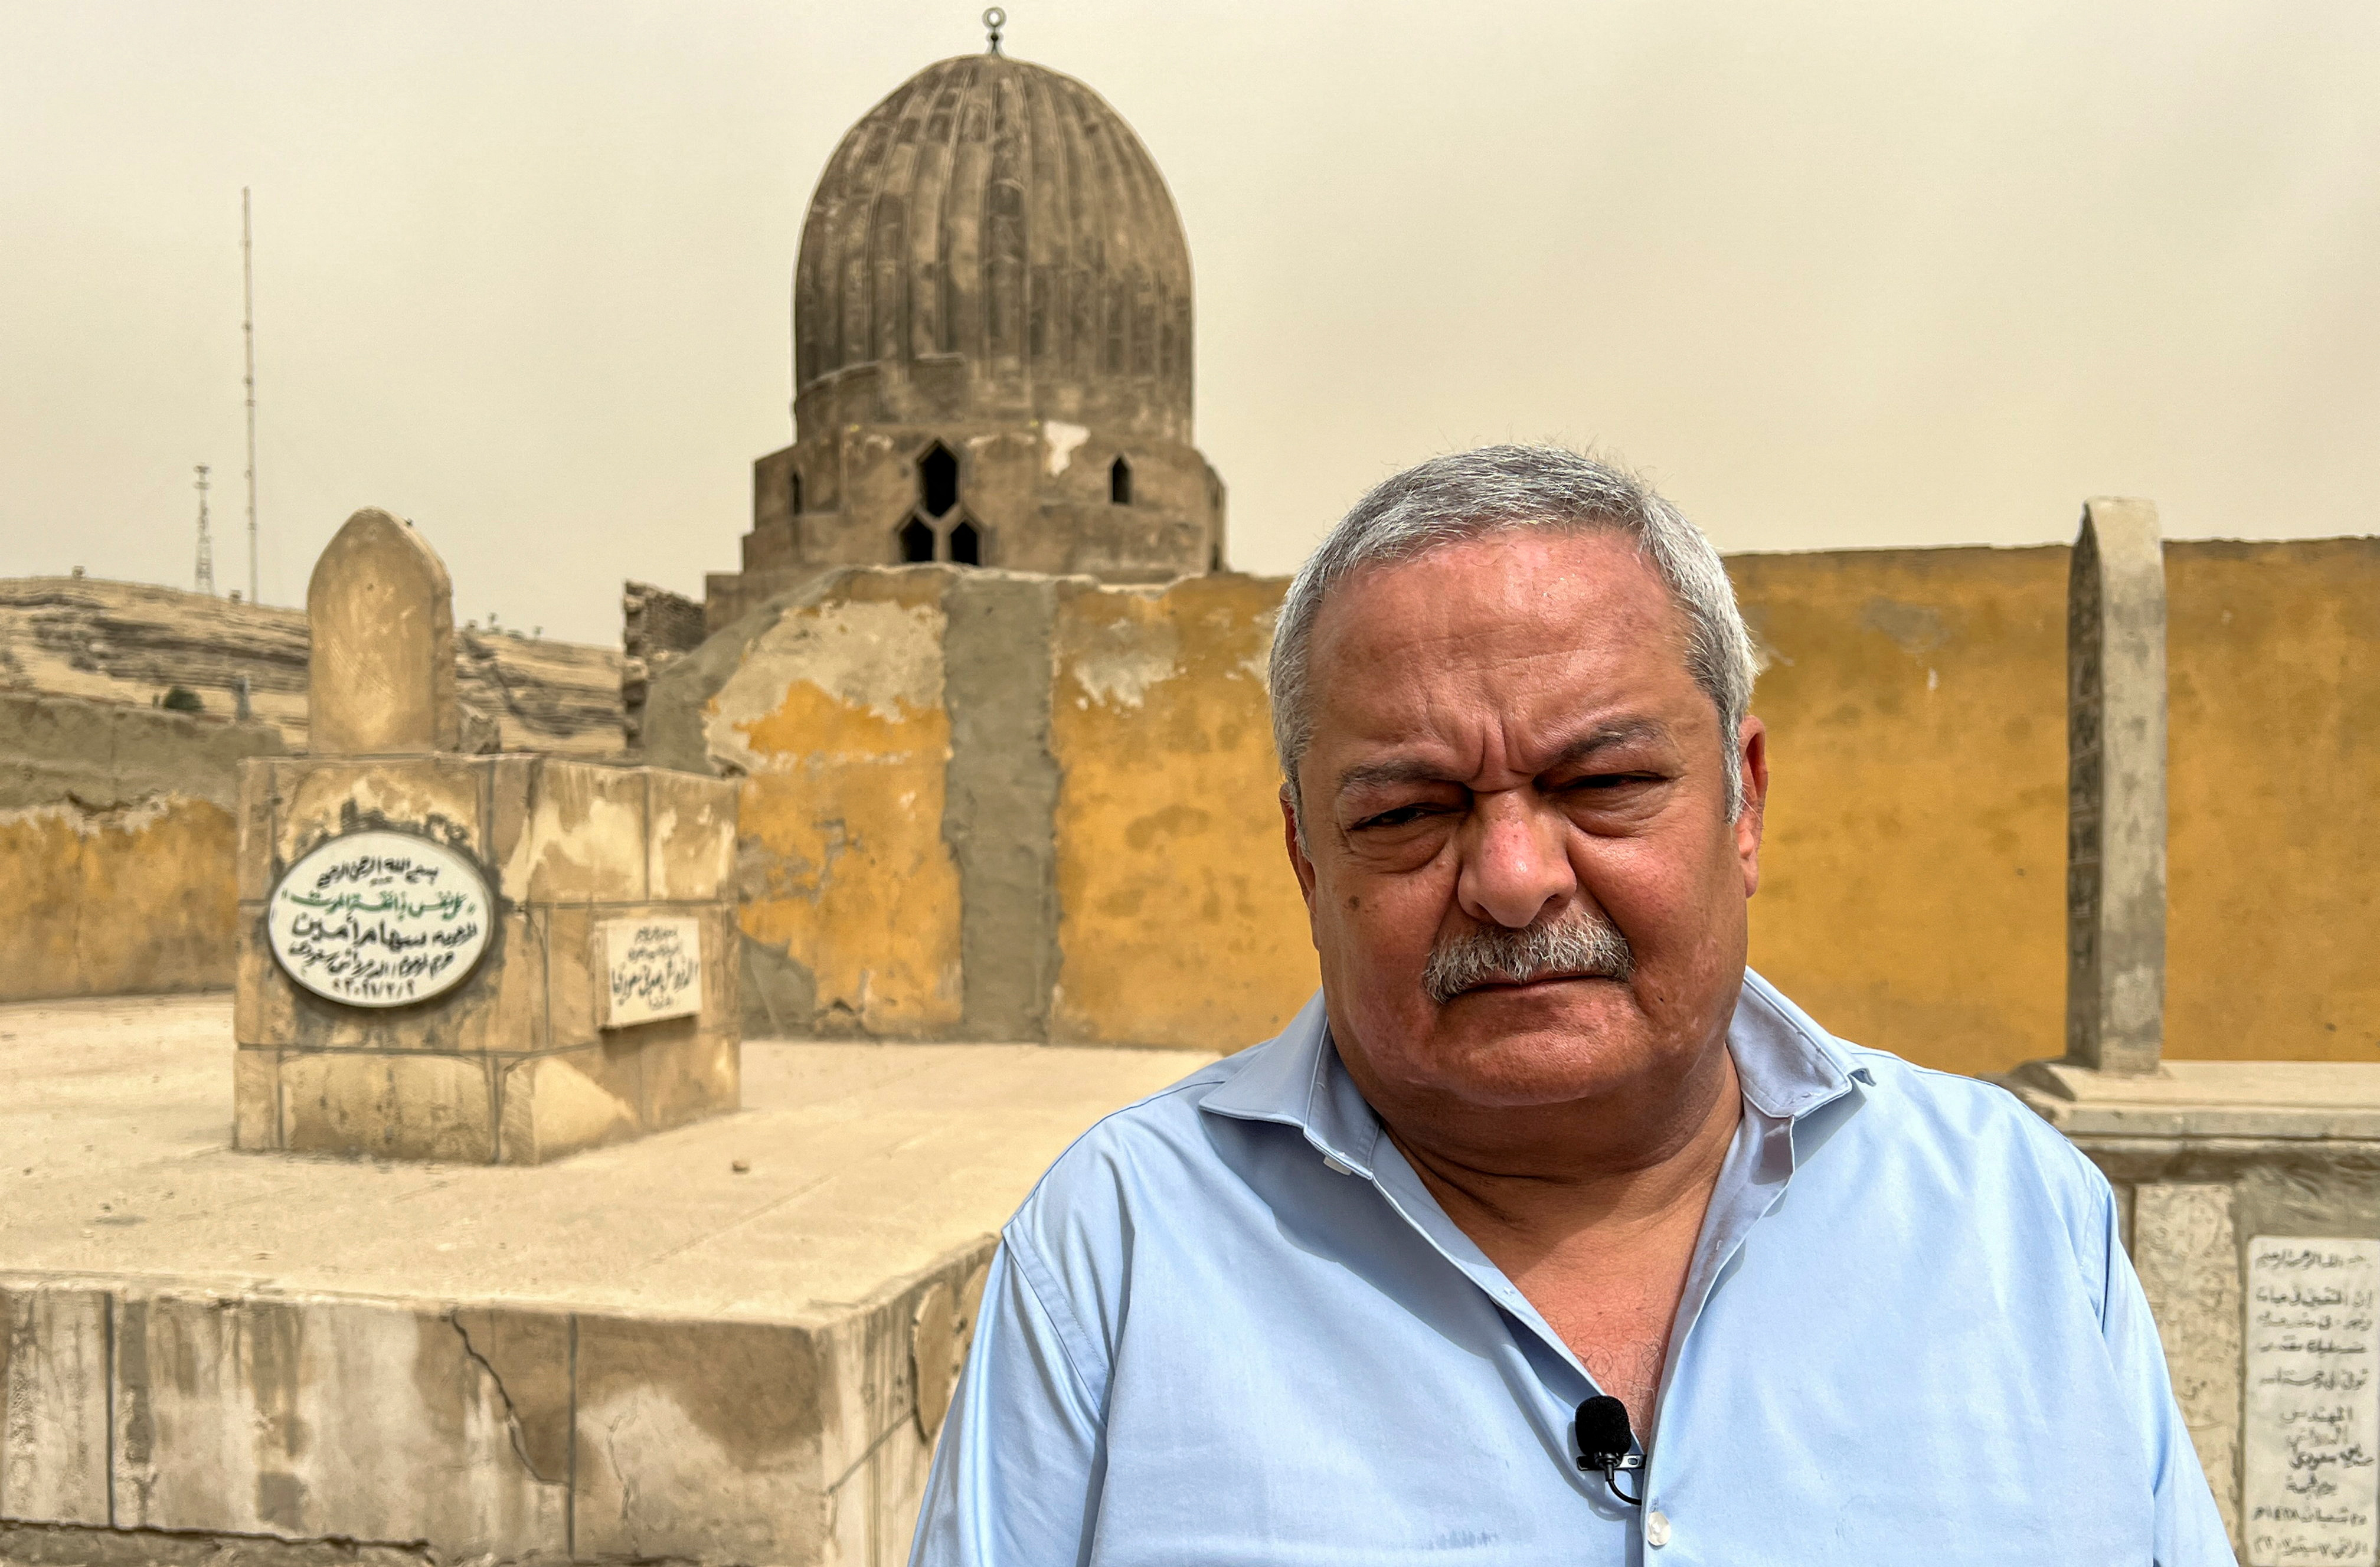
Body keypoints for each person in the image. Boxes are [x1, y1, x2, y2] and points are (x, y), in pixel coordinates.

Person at [909, 445, 2232, 1565]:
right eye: (1409, 810)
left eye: (1602, 782)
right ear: (1307, 851)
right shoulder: (1118, 1254)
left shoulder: (2016, 1222)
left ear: (1744, 799)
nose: (1513, 878)